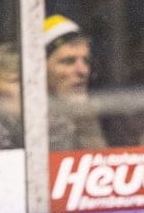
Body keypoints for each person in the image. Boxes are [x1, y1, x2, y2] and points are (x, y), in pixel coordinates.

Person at [43, 14, 107, 151]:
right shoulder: (20, 118)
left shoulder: (99, 114)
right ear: (39, 68)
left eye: (86, 61)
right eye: (68, 61)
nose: (82, 71)